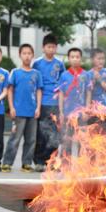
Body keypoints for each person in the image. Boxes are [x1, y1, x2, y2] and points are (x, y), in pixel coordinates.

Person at [2, 44, 42, 173]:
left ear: (33, 56)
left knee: (31, 140)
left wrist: (38, 108)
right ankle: (7, 163)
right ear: (20, 55)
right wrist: (11, 107)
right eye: (24, 53)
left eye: (29, 53)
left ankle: (26, 163)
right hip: (18, 112)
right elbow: (10, 90)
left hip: (32, 112)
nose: (27, 56)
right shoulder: (15, 72)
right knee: (15, 139)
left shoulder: (36, 74)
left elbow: (39, 91)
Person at [32, 34, 65, 172]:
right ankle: (39, 161)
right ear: (43, 48)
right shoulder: (37, 63)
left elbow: (63, 83)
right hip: (42, 102)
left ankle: (52, 161)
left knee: (54, 134)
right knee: (41, 133)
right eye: (48, 47)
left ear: (56, 48)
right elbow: (33, 83)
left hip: (56, 102)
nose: (51, 49)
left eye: (53, 47)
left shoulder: (59, 64)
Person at [58, 47, 89, 155]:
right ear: (69, 59)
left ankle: (82, 165)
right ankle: (66, 165)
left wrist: (86, 110)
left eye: (77, 57)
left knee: (82, 140)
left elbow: (88, 93)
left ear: (81, 59)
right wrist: (61, 112)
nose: (75, 59)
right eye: (72, 57)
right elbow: (61, 93)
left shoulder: (86, 75)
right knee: (67, 139)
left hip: (81, 114)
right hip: (68, 113)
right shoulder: (64, 75)